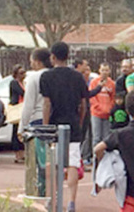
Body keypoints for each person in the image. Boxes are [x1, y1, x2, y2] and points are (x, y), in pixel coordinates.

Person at [40, 42, 89, 212]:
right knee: (73, 162)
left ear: (53, 57)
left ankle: (52, 199)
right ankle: (71, 201)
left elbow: (47, 104)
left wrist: (45, 125)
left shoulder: (46, 77)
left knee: (52, 163)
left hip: (54, 123)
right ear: (68, 56)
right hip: (72, 122)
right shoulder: (78, 77)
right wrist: (79, 121)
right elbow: (83, 104)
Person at [20, 48, 51, 134]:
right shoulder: (55, 76)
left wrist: (22, 127)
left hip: (37, 118)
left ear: (38, 62)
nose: (31, 64)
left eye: (32, 61)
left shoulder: (33, 78)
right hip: (54, 118)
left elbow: (28, 105)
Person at [90, 63, 116, 155]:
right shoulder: (94, 82)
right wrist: (98, 106)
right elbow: (92, 97)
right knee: (96, 137)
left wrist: (110, 108)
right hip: (96, 113)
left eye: (106, 70)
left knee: (106, 137)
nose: (104, 72)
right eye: (102, 70)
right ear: (99, 71)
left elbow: (113, 98)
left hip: (107, 113)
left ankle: (105, 156)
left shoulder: (112, 84)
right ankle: (95, 157)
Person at [9, 64, 27, 163]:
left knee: (22, 131)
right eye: (21, 73)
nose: (23, 75)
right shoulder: (14, 83)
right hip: (17, 109)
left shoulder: (24, 83)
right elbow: (22, 93)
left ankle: (22, 153)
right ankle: (17, 154)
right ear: (16, 74)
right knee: (16, 131)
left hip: (23, 108)